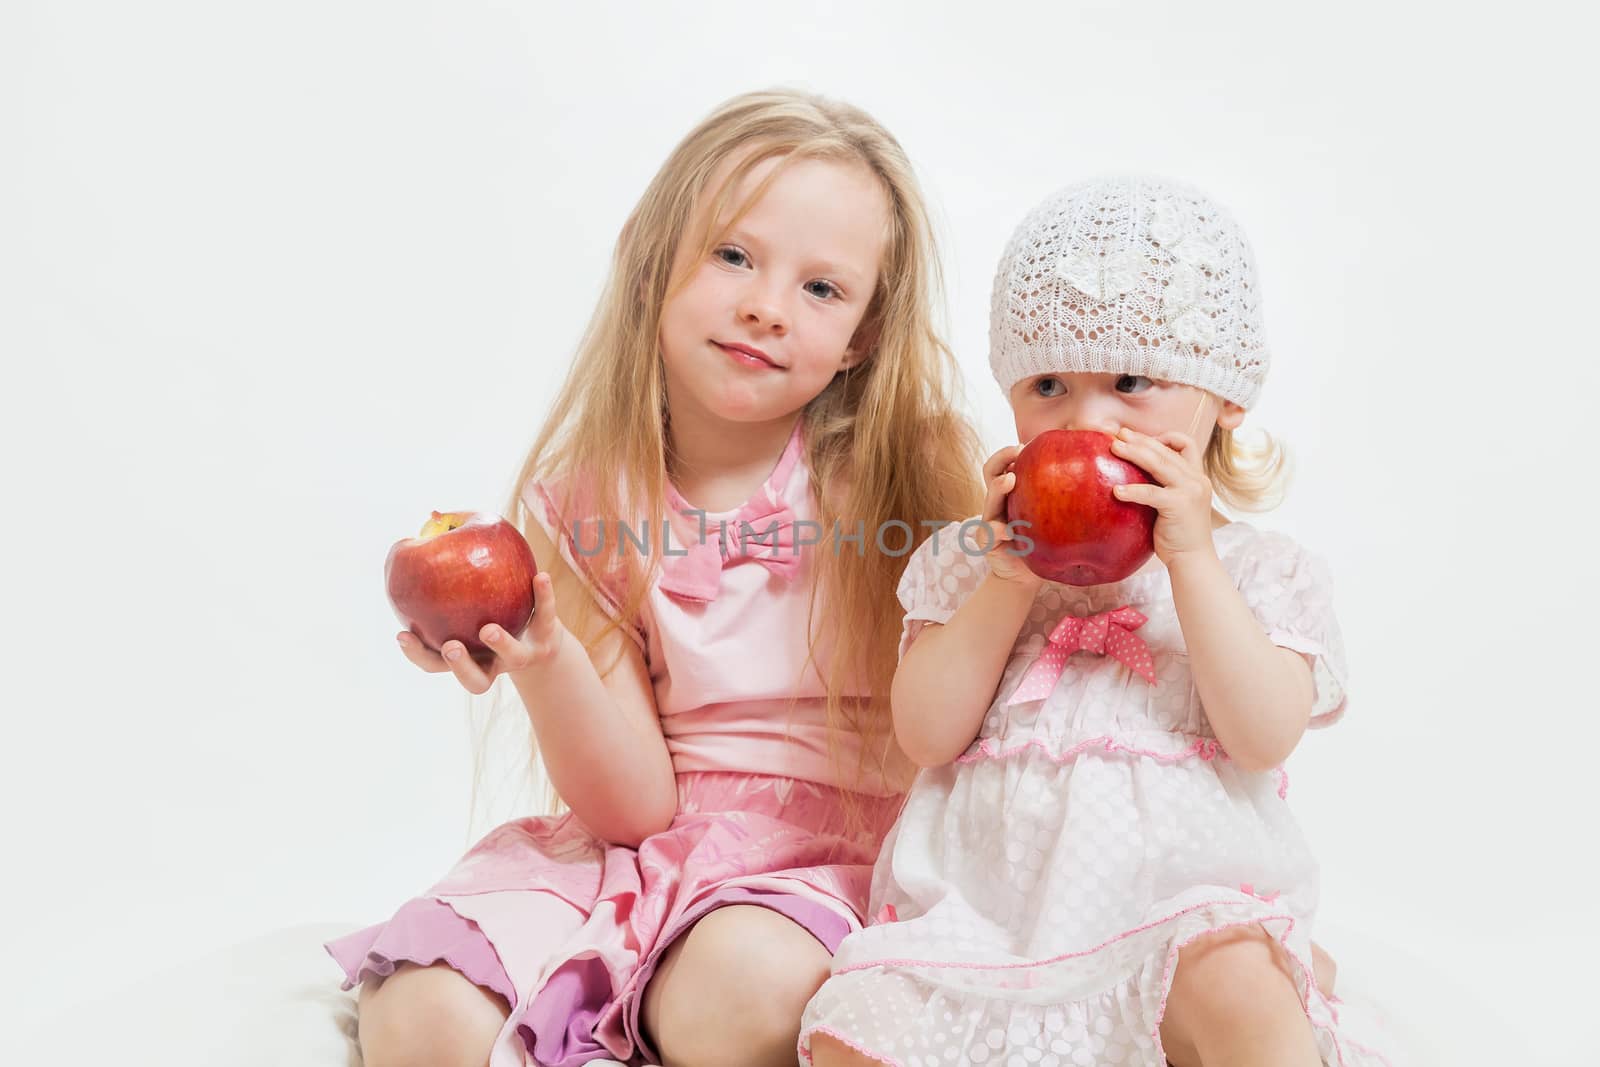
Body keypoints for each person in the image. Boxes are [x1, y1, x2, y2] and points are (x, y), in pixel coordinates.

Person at [324, 88, 983, 1067]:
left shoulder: (904, 467)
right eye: (733, 255)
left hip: (832, 850)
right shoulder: (581, 503)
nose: (765, 304)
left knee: (740, 988)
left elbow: (990, 682)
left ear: (864, 336)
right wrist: (543, 657)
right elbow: (634, 805)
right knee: (420, 1007)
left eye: (822, 289)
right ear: (649, 256)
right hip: (653, 843)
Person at [802, 176, 1392, 1067]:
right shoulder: (972, 565)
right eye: (1048, 385)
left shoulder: (1258, 573)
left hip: (1175, 920)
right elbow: (925, 733)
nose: (1088, 421)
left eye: (1131, 380)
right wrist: (1004, 578)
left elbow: (1263, 734)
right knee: (863, 1028)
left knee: (1239, 992)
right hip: (984, 927)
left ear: (1223, 396)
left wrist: (1191, 562)